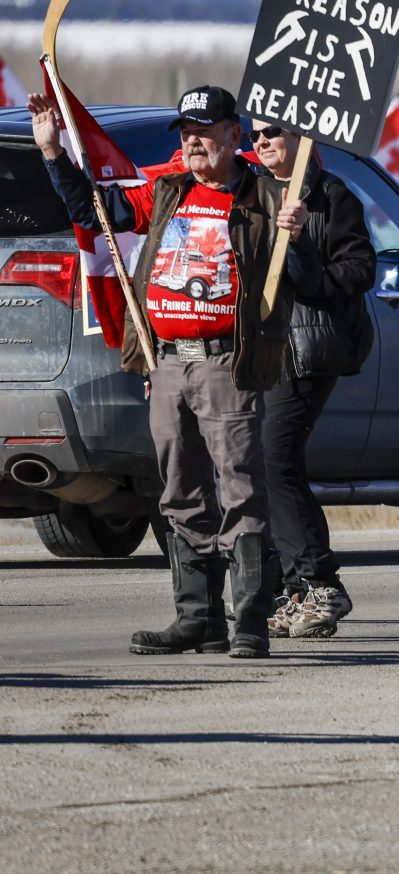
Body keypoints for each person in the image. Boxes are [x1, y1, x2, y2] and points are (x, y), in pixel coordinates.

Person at [33, 85, 303, 658]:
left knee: (241, 487)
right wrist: (54, 153)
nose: (193, 140)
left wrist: (298, 232)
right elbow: (95, 213)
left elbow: (307, 271)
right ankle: (197, 619)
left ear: (235, 134)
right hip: (168, 363)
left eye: (205, 130)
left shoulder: (267, 197)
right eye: (186, 131)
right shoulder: (167, 191)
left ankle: (250, 619)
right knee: (179, 491)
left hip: (227, 365)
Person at [251, 125, 376, 642]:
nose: (261, 143)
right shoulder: (250, 191)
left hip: (307, 347)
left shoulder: (333, 196)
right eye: (254, 135)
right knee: (258, 464)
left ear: (302, 140)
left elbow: (359, 271)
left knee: (275, 456)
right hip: (253, 346)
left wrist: (299, 248)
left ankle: (321, 582)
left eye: (272, 133)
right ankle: (292, 588)